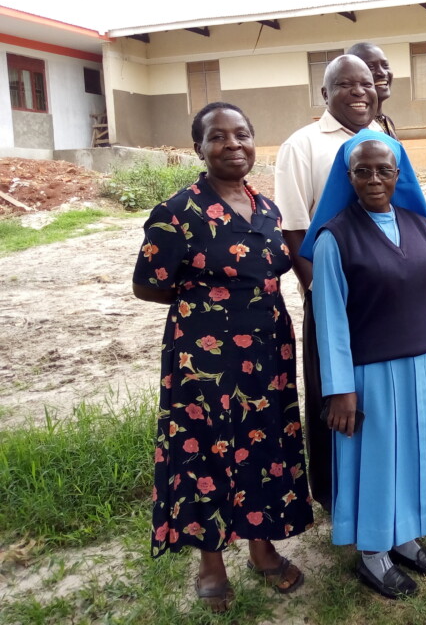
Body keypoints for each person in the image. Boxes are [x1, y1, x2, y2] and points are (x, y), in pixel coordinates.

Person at [133, 102, 313, 612]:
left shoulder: (269, 210)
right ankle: (210, 563)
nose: (233, 144)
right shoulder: (177, 212)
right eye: (219, 136)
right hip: (203, 359)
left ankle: (261, 548)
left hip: (267, 354)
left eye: (242, 134)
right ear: (199, 148)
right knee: (205, 451)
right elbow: (147, 286)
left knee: (263, 445)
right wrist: (205, 302)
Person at [301, 129, 426, 599]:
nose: (374, 178)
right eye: (362, 170)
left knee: (415, 454)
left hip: (417, 364)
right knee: (375, 463)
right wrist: (340, 389)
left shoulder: (418, 225)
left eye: (384, 170)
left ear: (400, 174)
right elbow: (330, 319)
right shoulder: (336, 237)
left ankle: (405, 538)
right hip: (368, 373)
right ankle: (373, 552)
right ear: (348, 177)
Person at [273, 54, 380, 509]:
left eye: (367, 83)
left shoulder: (380, 139)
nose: (360, 91)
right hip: (330, 300)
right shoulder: (303, 145)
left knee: (375, 397)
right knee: (332, 399)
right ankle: (336, 496)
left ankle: (378, 488)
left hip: (380, 301)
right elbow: (293, 227)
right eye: (346, 85)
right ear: (325, 94)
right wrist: (319, 292)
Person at [348, 42, 397, 138]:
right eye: (370, 67)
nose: (382, 73)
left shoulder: (386, 121)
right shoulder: (356, 128)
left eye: (385, 65)